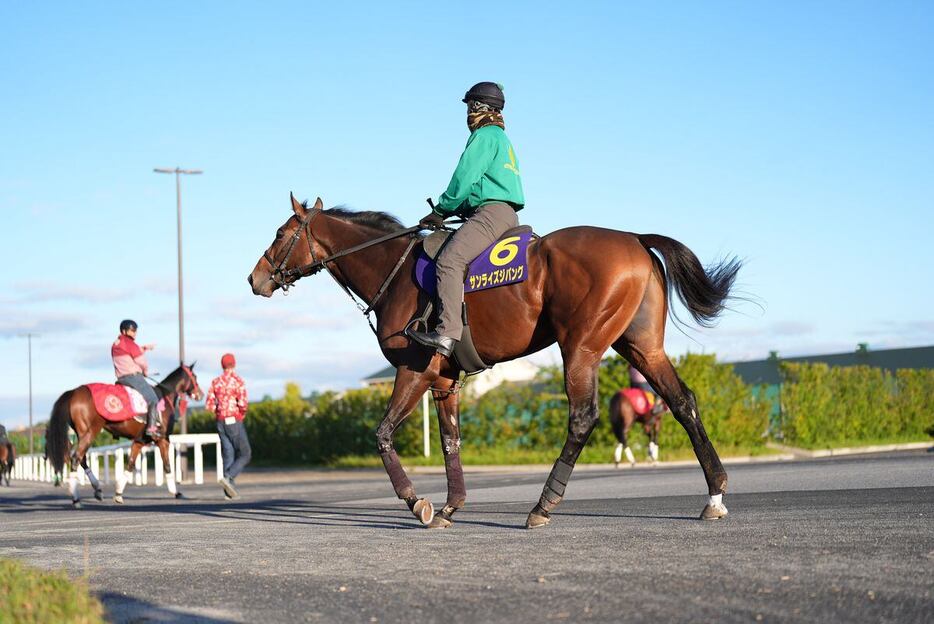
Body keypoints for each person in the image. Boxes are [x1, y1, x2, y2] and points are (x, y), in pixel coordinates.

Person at [409, 81, 525, 357]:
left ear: (478, 107)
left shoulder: (484, 136)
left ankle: (447, 333)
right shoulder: (502, 139)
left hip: (491, 214)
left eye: (469, 108)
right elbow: (478, 187)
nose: (468, 115)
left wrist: (440, 210)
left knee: (449, 261)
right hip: (503, 214)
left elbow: (463, 180)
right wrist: (456, 210)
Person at [205, 353, 251, 499]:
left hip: (220, 422)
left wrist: (219, 412)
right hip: (233, 419)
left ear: (222, 365)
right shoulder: (238, 381)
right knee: (245, 453)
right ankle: (229, 476)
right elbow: (243, 403)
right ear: (234, 364)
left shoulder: (215, 382)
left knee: (228, 454)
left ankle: (228, 493)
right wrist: (240, 415)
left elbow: (209, 405)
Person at [111, 320, 161, 439]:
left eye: (135, 331)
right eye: (132, 331)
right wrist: (145, 371)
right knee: (153, 399)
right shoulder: (130, 343)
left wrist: (143, 348)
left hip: (121, 378)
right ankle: (151, 428)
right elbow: (141, 361)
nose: (134, 333)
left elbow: (129, 353)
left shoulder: (116, 344)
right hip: (133, 377)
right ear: (124, 331)